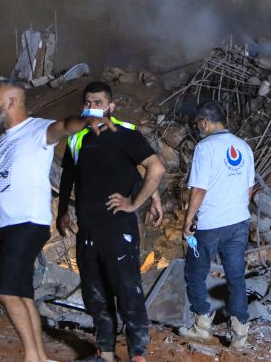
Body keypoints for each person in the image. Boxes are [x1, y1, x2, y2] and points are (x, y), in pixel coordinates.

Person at [0, 82, 85, 362]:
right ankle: (40, 357)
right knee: (20, 292)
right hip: (9, 227)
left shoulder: (37, 130)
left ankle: (31, 357)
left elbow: (65, 126)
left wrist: (88, 119)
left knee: (4, 290)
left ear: (13, 102)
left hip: (28, 223)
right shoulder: (2, 141)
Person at [56, 81, 166, 362]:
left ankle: (137, 355)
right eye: (88, 102)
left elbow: (155, 167)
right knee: (96, 294)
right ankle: (104, 352)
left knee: (127, 290)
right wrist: (62, 211)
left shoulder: (125, 134)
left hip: (118, 228)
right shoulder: (77, 137)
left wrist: (137, 202)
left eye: (98, 103)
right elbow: (69, 174)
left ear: (111, 106)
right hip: (88, 227)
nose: (92, 108)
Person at [178, 100, 255, 348]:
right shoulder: (244, 146)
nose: (198, 128)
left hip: (210, 225)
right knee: (236, 277)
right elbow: (250, 188)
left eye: (198, 124)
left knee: (195, 272)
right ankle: (240, 335)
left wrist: (188, 220)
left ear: (205, 123)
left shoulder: (205, 147)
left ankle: (202, 326)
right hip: (238, 222)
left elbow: (199, 188)